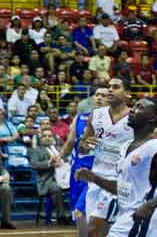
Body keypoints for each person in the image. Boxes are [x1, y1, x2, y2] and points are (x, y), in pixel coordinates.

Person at [76, 99, 157, 237]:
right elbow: (123, 189)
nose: (132, 110)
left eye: (139, 107)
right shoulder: (126, 146)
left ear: (152, 117)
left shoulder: (156, 148)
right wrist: (93, 178)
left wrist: (150, 205)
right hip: (128, 215)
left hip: (145, 215)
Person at [78, 78, 133, 237]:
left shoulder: (135, 118)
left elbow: (154, 144)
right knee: (95, 229)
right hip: (96, 177)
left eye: (115, 87)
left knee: (94, 230)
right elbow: (82, 146)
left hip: (118, 181)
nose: (110, 90)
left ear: (127, 94)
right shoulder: (96, 115)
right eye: (109, 87)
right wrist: (85, 145)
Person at [59, 86, 108, 237]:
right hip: (78, 171)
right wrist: (59, 157)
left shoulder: (114, 122)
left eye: (103, 95)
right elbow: (70, 142)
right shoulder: (80, 118)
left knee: (89, 215)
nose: (99, 97)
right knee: (79, 215)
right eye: (97, 95)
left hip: (98, 173)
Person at [31, 129, 68, 224]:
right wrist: (49, 163)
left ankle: (77, 214)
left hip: (64, 176)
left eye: (50, 136)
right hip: (47, 181)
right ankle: (61, 216)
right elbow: (34, 165)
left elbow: (66, 161)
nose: (47, 138)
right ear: (41, 138)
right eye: (45, 136)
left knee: (79, 184)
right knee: (57, 188)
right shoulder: (36, 150)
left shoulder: (59, 150)